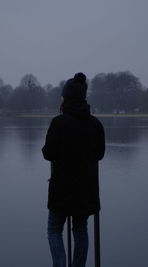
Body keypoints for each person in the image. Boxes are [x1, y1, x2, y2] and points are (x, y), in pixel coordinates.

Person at [42, 72, 105, 267]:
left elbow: (48, 153)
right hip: (86, 189)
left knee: (54, 229)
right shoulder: (95, 124)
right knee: (80, 229)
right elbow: (100, 154)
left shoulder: (58, 122)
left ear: (66, 98)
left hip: (62, 189)